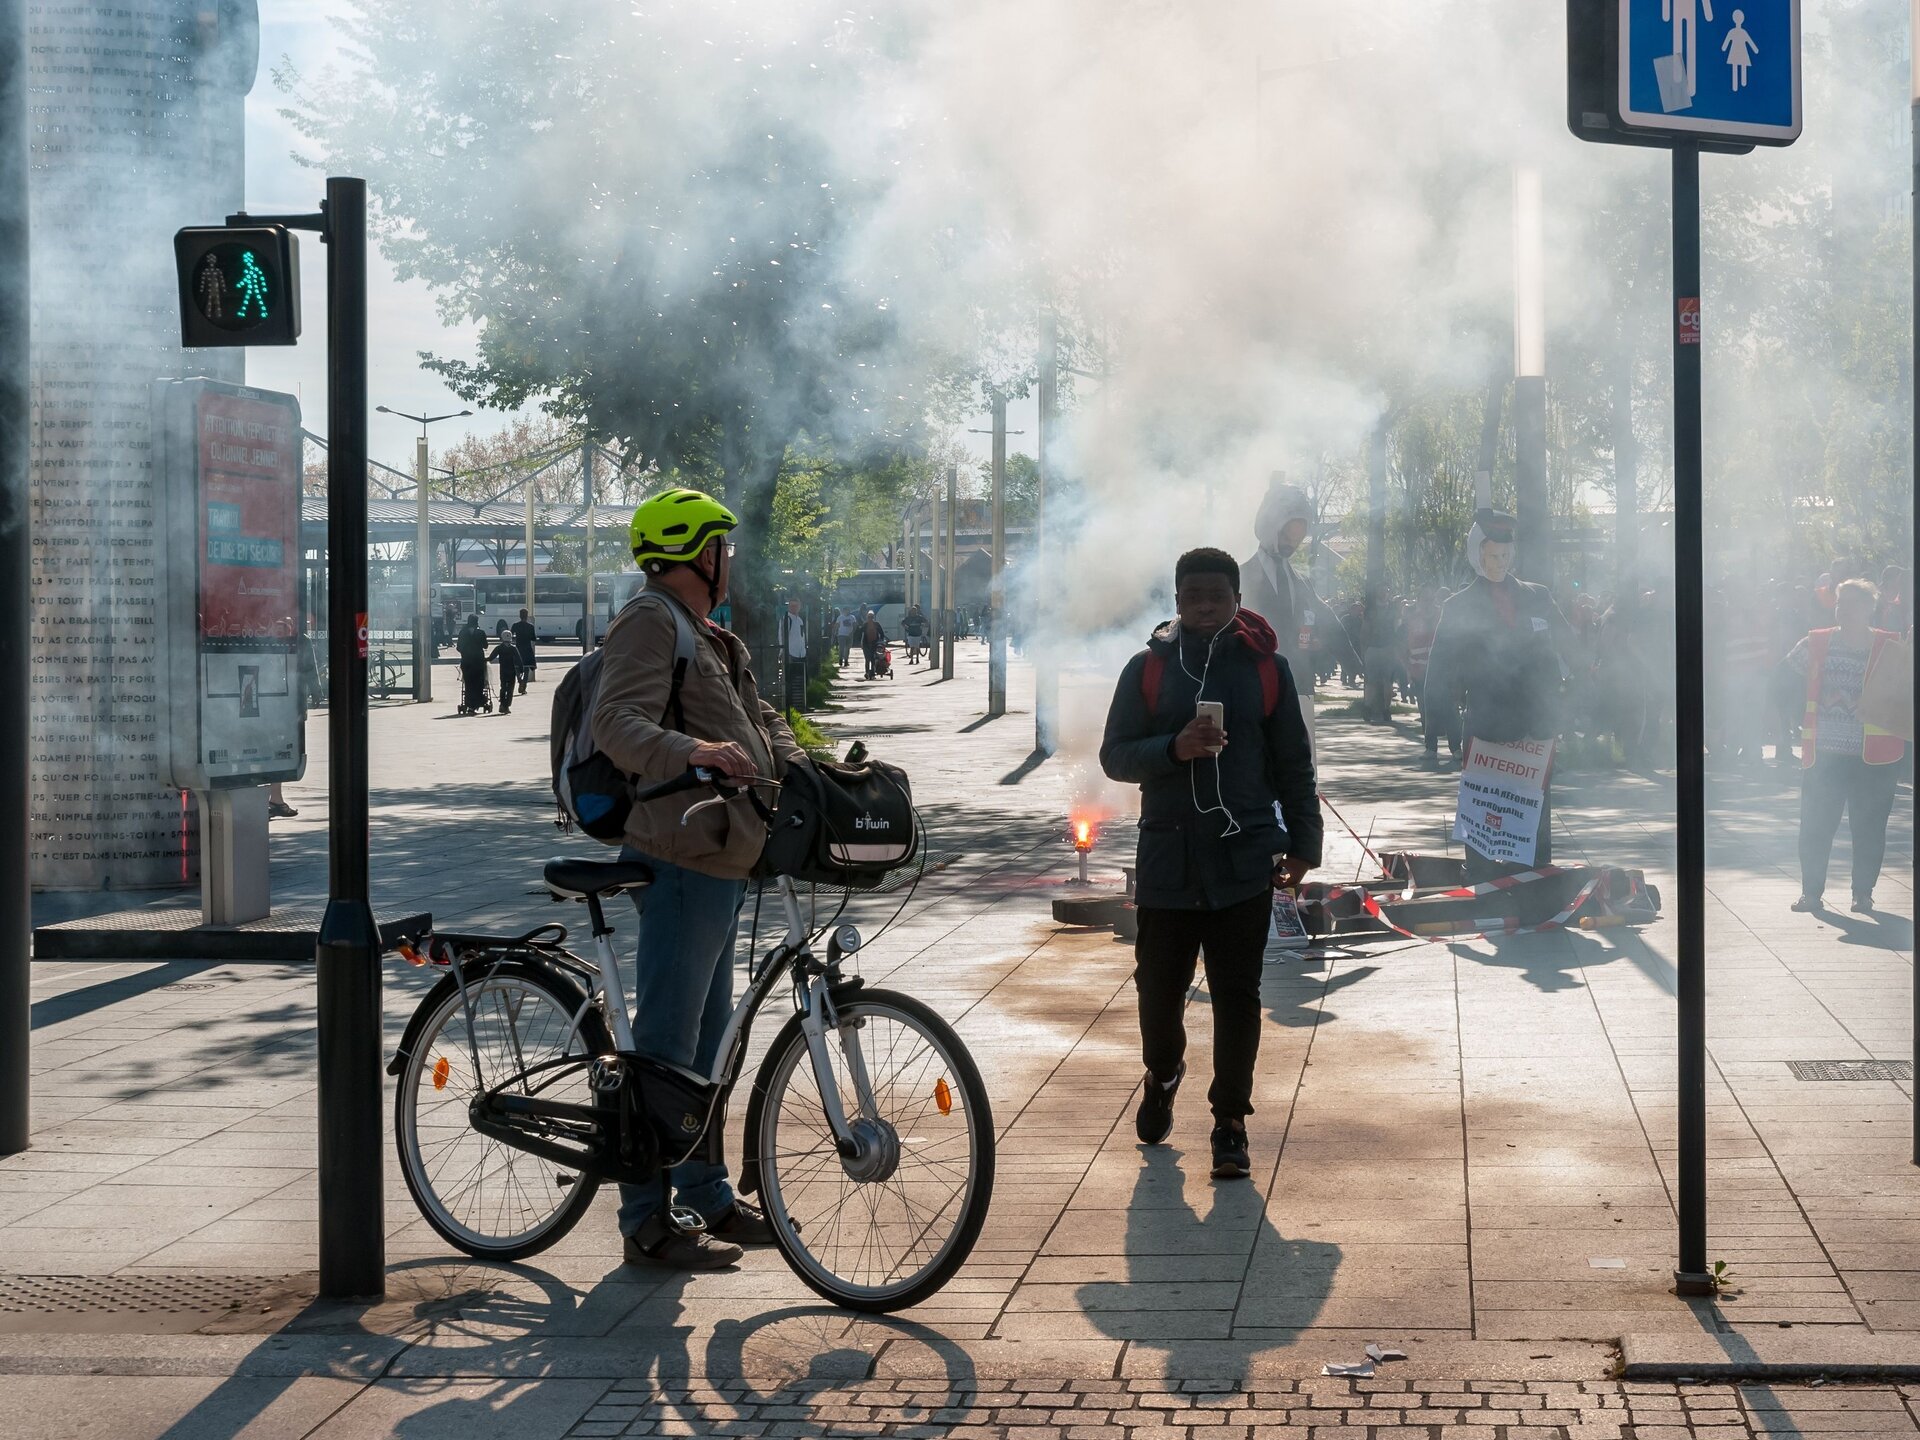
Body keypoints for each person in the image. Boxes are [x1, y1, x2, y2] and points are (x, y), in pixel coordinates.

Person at [592, 488, 808, 1270]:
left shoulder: (709, 635)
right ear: (692, 551)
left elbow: (760, 720)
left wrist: (805, 765)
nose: (732, 559)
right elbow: (616, 723)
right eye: (724, 545)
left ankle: (708, 1193)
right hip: (680, 854)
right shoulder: (650, 619)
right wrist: (695, 752)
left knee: (711, 1047)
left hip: (725, 854)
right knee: (669, 1044)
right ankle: (645, 1216)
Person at [1099, 548, 1323, 1182]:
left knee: (1237, 996)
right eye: (1192, 595)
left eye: (1216, 596)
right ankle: (1164, 1071)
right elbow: (1115, 755)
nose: (1203, 606)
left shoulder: (1266, 671)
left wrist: (1305, 842)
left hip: (1243, 857)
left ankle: (1230, 1124)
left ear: (1236, 600)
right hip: (1168, 859)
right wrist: (1175, 747)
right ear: (1176, 600)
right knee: (1156, 993)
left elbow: (1293, 765)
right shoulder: (1145, 670)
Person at [1423, 510, 1572, 880]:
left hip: (1536, 728)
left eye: (1506, 556)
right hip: (1487, 727)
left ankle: (1536, 881)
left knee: (1533, 811)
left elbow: (1570, 644)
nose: (1499, 563)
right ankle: (1483, 883)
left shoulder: (1538, 597)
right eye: (1492, 556)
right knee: (1483, 811)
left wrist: (1572, 696)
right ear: (1477, 554)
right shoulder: (1458, 606)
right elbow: (1438, 669)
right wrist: (1440, 723)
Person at [1784, 579, 1904, 914]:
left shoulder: (1890, 645)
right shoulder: (1816, 642)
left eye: (1852, 603)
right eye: (1840, 603)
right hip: (1825, 756)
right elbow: (1785, 679)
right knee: (1816, 826)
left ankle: (1862, 894)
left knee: (1868, 829)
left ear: (1870, 607)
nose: (1844, 609)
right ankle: (1811, 893)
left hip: (1876, 757)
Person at [1238, 476, 1327, 742]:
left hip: (1299, 691)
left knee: (1300, 774)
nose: (1293, 542)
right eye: (1288, 533)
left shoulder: (1303, 583)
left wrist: (1327, 647)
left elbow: (1326, 625)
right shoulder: (1238, 578)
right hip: (1253, 694)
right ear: (1269, 525)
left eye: (1299, 535)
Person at [780, 596, 809, 713]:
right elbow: (781, 636)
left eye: (796, 606)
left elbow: (802, 636)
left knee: (802, 680)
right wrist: (783, 652)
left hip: (801, 653)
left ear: (800, 607)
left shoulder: (800, 620)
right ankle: (791, 706)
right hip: (790, 653)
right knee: (791, 681)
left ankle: (802, 704)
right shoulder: (787, 619)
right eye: (791, 606)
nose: (794, 608)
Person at [455, 614, 488, 711]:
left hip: (467, 662)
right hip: (478, 662)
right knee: (479, 683)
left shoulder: (463, 632)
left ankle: (469, 703)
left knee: (468, 683)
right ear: (476, 622)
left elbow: (458, 647)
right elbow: (485, 646)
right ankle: (477, 702)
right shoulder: (481, 633)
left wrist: (465, 653)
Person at [488, 632, 521, 714]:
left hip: (503, 671)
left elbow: (491, 657)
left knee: (503, 688)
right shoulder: (513, 648)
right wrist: (521, 670)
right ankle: (507, 706)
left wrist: (482, 660)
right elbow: (519, 660)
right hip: (512, 671)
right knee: (510, 689)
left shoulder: (499, 648)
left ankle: (502, 704)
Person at [511, 608, 538, 693]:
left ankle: (520, 680)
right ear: (527, 616)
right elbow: (533, 638)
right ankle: (523, 686)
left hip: (518, 648)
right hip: (527, 649)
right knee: (526, 668)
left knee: (517, 667)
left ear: (520, 616)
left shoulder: (515, 625)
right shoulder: (530, 626)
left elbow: (510, 634)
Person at [862, 609, 888, 680]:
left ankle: (871, 673)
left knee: (872, 659)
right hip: (867, 644)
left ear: (873, 617)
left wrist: (881, 642)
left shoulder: (873, 624)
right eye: (869, 617)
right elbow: (861, 633)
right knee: (868, 659)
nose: (870, 618)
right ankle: (868, 673)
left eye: (871, 617)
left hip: (873, 644)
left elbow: (882, 634)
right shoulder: (866, 625)